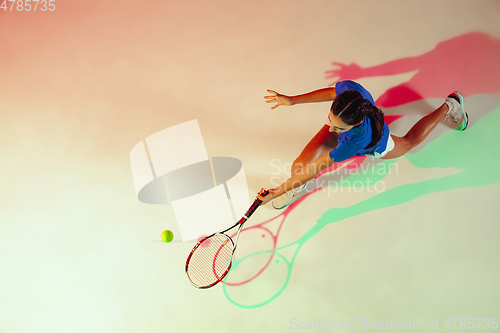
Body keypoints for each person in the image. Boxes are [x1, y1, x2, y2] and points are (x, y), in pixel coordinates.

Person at [256, 80, 468, 209]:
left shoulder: (356, 142)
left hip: (376, 141)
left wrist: (276, 192)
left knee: (408, 143)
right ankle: (296, 184)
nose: (330, 130)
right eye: (331, 121)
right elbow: (332, 93)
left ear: (355, 123)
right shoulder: (350, 93)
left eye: (337, 128)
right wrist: (292, 100)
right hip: (354, 125)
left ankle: (449, 106)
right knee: (297, 170)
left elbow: (316, 167)